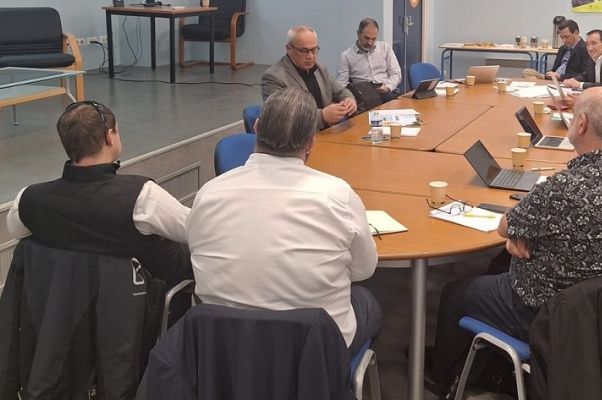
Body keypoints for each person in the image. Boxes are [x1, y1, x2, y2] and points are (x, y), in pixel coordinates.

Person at [427, 87, 602, 396]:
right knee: (498, 262)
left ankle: (440, 379)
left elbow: (503, 225)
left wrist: (520, 231)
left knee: (456, 293)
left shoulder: (565, 188)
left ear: (581, 125)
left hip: (550, 314)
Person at [187, 87, 382, 356]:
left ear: (256, 128)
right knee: (367, 300)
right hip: (314, 353)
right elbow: (364, 270)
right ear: (311, 142)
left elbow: (197, 255)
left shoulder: (208, 193)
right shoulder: (338, 195)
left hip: (224, 350)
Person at [6, 100, 191, 285]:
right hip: (149, 302)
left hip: (66, 305)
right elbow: (195, 228)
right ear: (109, 136)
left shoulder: (27, 201)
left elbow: (17, 232)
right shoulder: (142, 197)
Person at [261, 25, 357, 131]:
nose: (310, 56)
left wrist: (349, 100)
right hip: (296, 141)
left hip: (327, 133)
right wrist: (322, 117)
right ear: (289, 49)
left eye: (314, 50)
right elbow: (281, 118)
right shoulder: (274, 77)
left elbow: (341, 92)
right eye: (304, 51)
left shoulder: (320, 67)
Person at [337, 18, 402, 106]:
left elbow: (396, 73)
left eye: (373, 39)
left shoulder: (385, 48)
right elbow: (341, 85)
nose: (370, 43)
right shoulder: (346, 56)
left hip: (386, 91)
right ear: (358, 34)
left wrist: (388, 87)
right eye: (366, 38)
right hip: (365, 95)